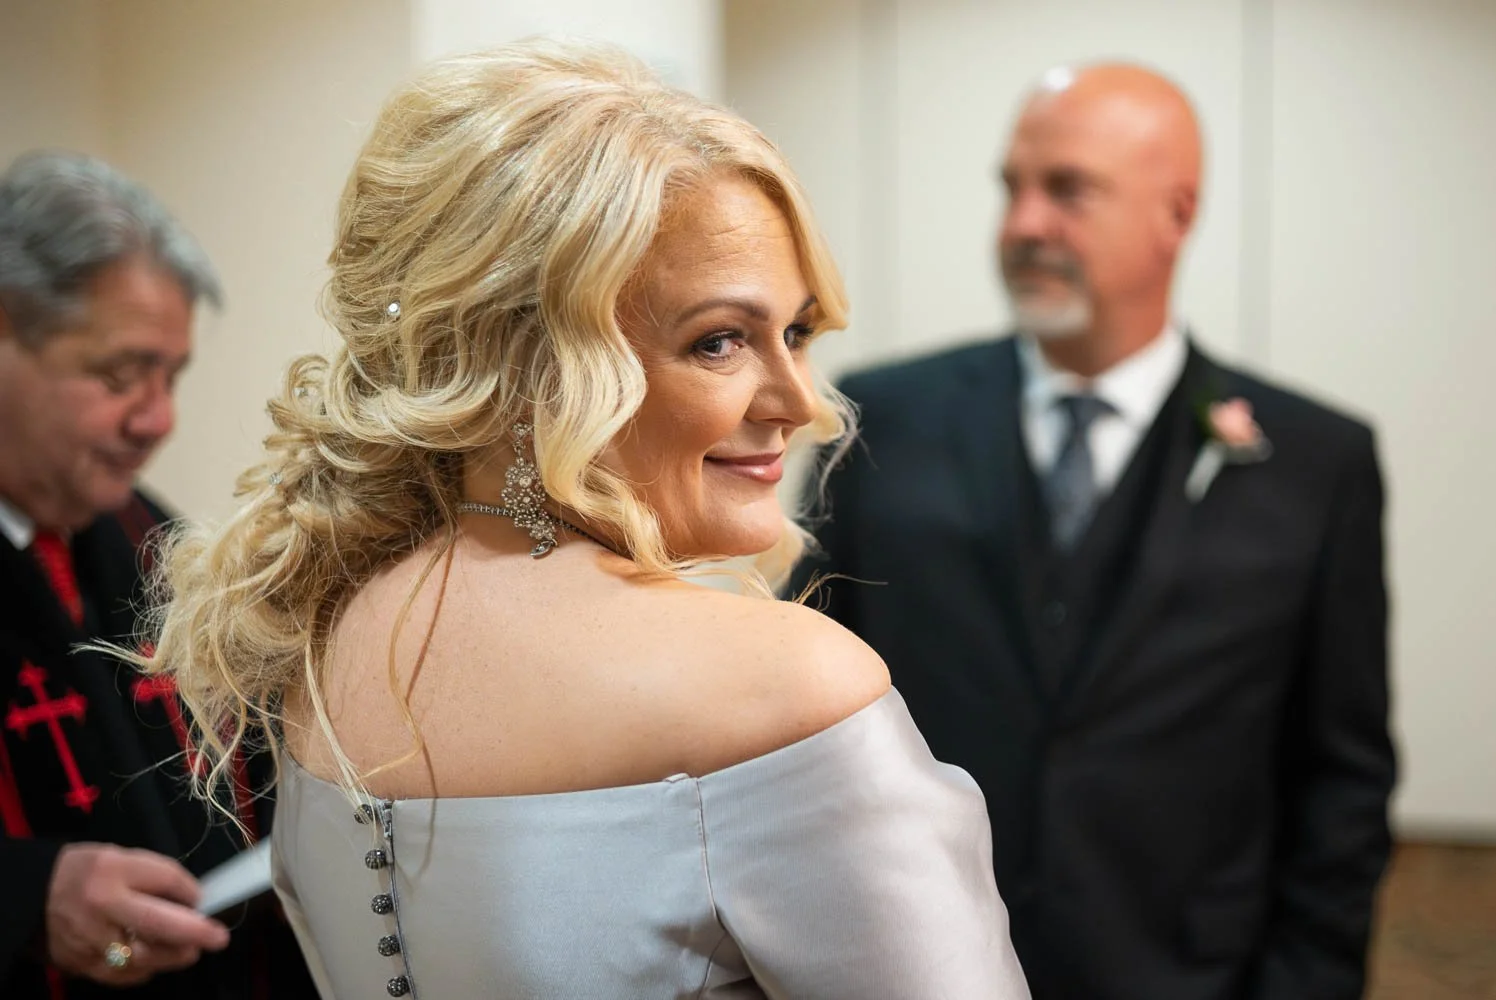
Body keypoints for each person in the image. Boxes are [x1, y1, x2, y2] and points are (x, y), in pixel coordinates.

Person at [135, 42, 1031, 999]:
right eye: (720, 341)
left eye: (798, 333)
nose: (799, 400)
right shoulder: (783, 684)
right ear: (532, 360)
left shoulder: (330, 637)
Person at [794, 64, 1396, 999]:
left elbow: (1341, 780)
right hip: (915, 964)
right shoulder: (881, 421)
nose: (1023, 225)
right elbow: (807, 724)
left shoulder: (1316, 463)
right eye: (1013, 188)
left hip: (1188, 970)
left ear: (1177, 215)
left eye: (1067, 190)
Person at [0, 152, 317, 997]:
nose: (158, 419)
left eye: (171, 377)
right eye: (119, 375)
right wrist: (28, 897)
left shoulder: (151, 538)